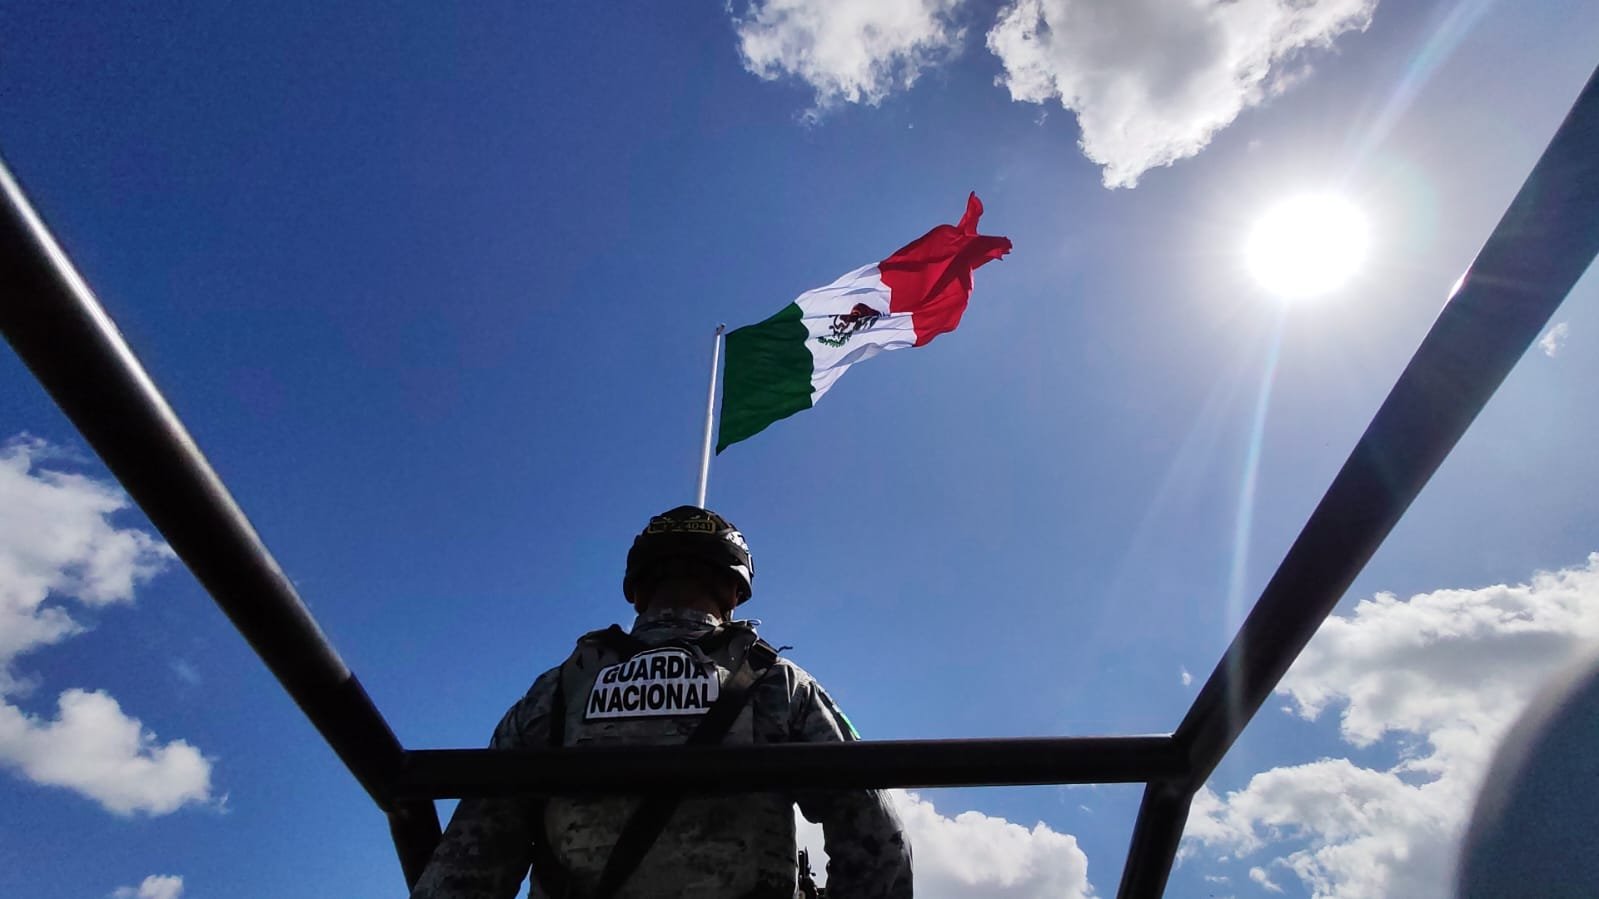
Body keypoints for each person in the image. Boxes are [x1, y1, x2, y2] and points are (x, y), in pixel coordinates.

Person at [410, 505, 913, 899]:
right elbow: (880, 836)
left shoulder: (557, 690)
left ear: (636, 591)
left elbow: (468, 863)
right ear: (735, 591)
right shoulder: (780, 684)